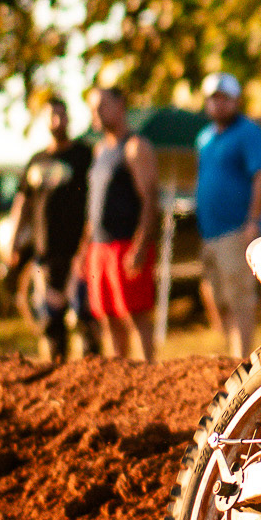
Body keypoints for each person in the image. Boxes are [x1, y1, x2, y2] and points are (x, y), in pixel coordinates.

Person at [4, 98, 100, 362]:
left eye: (61, 115)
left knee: (85, 320)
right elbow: (22, 202)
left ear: (68, 118)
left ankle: (93, 375)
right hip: (45, 254)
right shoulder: (36, 160)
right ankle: (57, 373)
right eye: (51, 116)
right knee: (50, 322)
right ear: (43, 121)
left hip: (80, 252)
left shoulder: (83, 155)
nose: (57, 121)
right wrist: (13, 239)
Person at [72, 86, 160, 362]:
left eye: (101, 106)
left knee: (135, 315)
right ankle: (121, 374)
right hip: (99, 247)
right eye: (91, 108)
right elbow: (94, 207)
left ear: (120, 106)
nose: (95, 113)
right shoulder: (100, 150)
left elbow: (150, 199)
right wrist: (84, 249)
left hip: (126, 244)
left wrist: (141, 245)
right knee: (106, 316)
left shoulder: (135, 147)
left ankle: (150, 372)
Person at [194, 72, 261, 361]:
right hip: (210, 233)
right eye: (213, 98)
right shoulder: (204, 138)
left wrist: (253, 220)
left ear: (236, 100)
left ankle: (242, 359)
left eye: (224, 98)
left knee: (239, 298)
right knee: (218, 299)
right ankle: (231, 357)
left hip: (236, 230)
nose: (218, 104)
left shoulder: (248, 133)